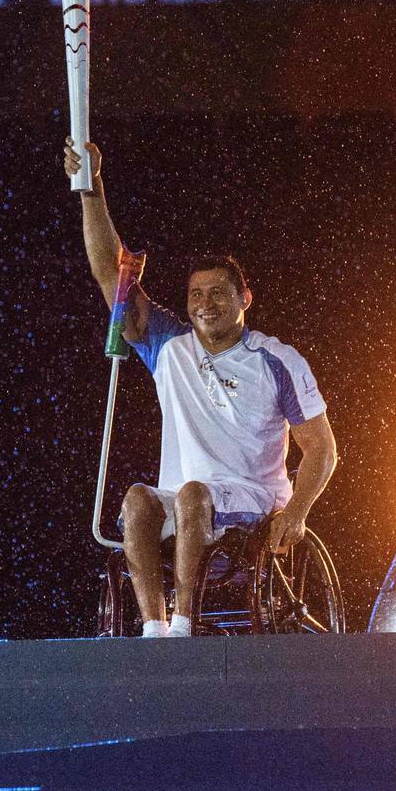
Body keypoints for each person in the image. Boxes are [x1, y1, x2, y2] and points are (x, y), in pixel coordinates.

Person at [64, 136, 338, 638]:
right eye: (195, 294)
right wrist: (91, 188)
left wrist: (297, 514)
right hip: (185, 499)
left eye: (217, 292)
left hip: (255, 498)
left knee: (194, 494)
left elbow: (320, 447)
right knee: (139, 501)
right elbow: (110, 273)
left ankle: (185, 623)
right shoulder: (170, 345)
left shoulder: (276, 360)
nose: (204, 303)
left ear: (244, 298)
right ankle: (156, 629)